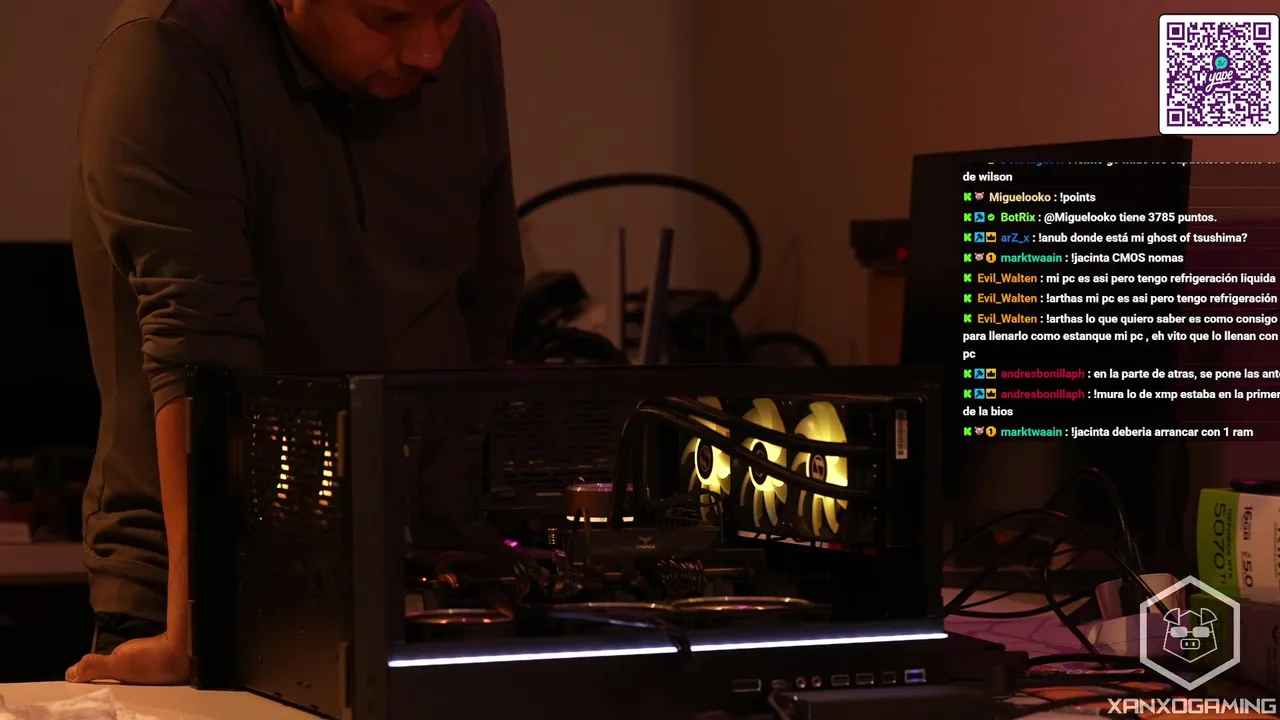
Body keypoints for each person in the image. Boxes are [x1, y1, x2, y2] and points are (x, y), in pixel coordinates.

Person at [68, 0, 524, 684]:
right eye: (388, 18)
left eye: (448, 12)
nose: (428, 52)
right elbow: (200, 351)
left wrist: (470, 547)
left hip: (415, 578)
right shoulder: (171, 48)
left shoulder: (468, 38)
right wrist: (199, 628)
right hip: (201, 594)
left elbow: (486, 291)